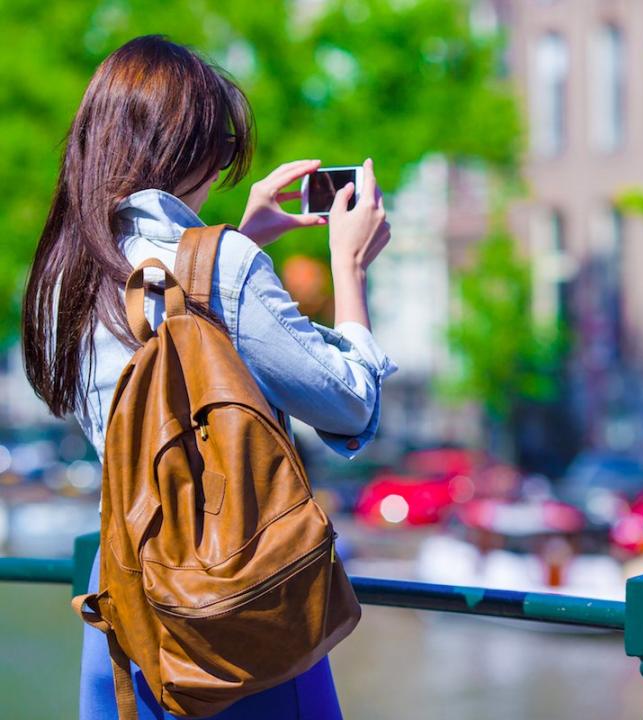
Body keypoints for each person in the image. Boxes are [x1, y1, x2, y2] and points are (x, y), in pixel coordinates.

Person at [20, 35, 396, 719]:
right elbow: (349, 403)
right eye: (221, 147)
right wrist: (350, 269)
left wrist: (236, 243)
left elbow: (161, 359)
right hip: (233, 596)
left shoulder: (63, 272)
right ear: (182, 148)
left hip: (123, 597)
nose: (224, 166)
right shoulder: (221, 268)